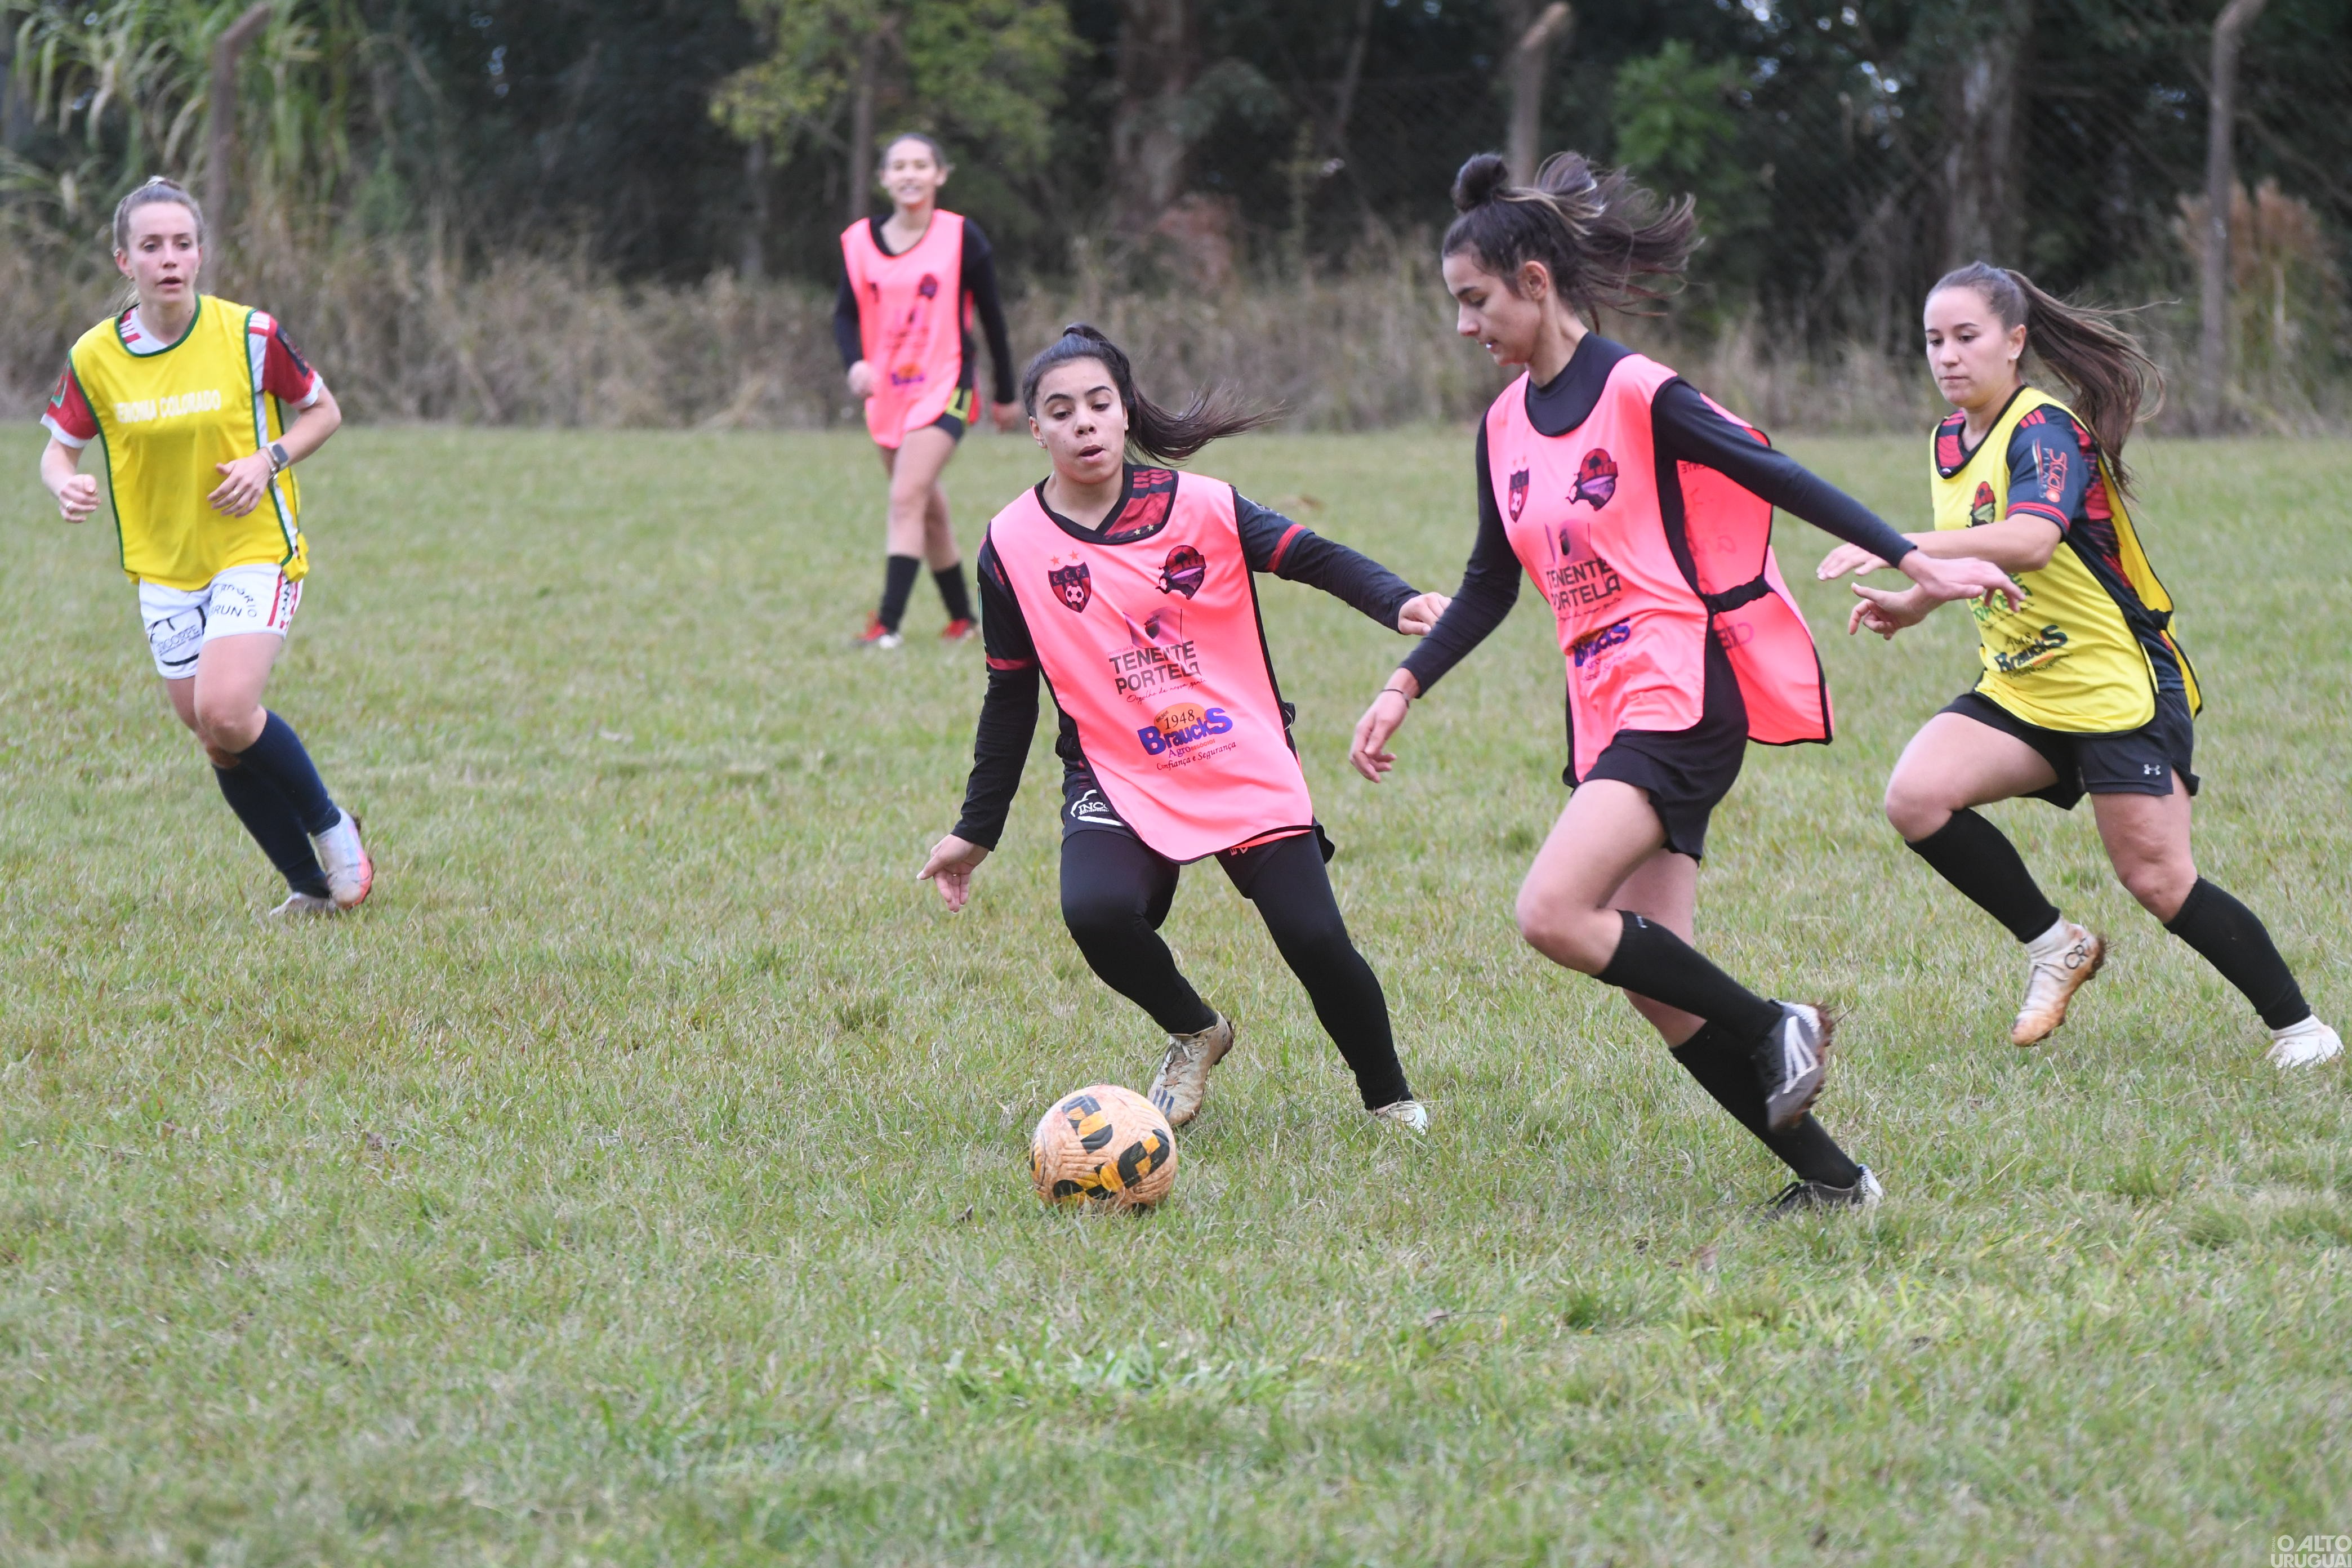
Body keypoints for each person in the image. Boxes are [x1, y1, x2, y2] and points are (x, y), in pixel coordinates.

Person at [1347, 153, 2024, 1211]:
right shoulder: (1502, 427)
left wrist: (1912, 556)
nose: (1464, 325)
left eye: (1473, 300)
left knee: (1552, 912)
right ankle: (1837, 1182)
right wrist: (1404, 682)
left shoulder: (1636, 389)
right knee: (1661, 985)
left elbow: (1778, 474)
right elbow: (1489, 582)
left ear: (1534, 281)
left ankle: (1775, 1023)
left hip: (1680, 694)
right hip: (1605, 713)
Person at [917, 325, 1449, 1132]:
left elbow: (1311, 554)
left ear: (1127, 412)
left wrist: (1397, 600)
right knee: (1095, 911)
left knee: (1313, 938)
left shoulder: (1202, 506)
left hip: (1234, 750)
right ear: (1036, 431)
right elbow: (1009, 695)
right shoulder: (1010, 546)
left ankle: (1391, 1101)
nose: (1085, 423)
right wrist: (976, 830)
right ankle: (1196, 1029)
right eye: (1062, 412)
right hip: (1116, 769)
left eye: (1100, 403)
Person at [1823, 262, 2341, 1069]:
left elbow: (2032, 537)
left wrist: (1901, 547)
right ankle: (2055, 945)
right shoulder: (1947, 440)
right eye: (1933, 340)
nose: (1948, 356)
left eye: (1967, 337)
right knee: (1916, 797)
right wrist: (1920, 598)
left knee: (2160, 881)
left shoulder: (2045, 428)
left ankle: (2301, 1031)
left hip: (2114, 688)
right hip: (2023, 684)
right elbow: (1992, 555)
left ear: (2015, 341)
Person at [37, 176, 372, 916]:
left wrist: (268, 460)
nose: (170, 259)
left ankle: (332, 827)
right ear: (124, 259)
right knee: (215, 738)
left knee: (225, 708)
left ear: (200, 253)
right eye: (151, 246)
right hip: (163, 566)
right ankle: (309, 890)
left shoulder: (248, 334)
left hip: (254, 547)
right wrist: (64, 483)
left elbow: (324, 411)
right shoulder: (96, 356)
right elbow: (59, 451)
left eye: (183, 244)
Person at [836, 132, 1019, 649]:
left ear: (940, 175)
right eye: (899, 166)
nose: (910, 174)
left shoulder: (963, 237)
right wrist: (855, 364)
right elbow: (844, 317)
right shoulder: (859, 243)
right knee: (926, 505)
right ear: (884, 178)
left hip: (948, 386)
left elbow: (994, 319)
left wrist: (1006, 393)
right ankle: (963, 619)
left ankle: (886, 626)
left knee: (905, 497)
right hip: (890, 393)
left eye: (921, 165)